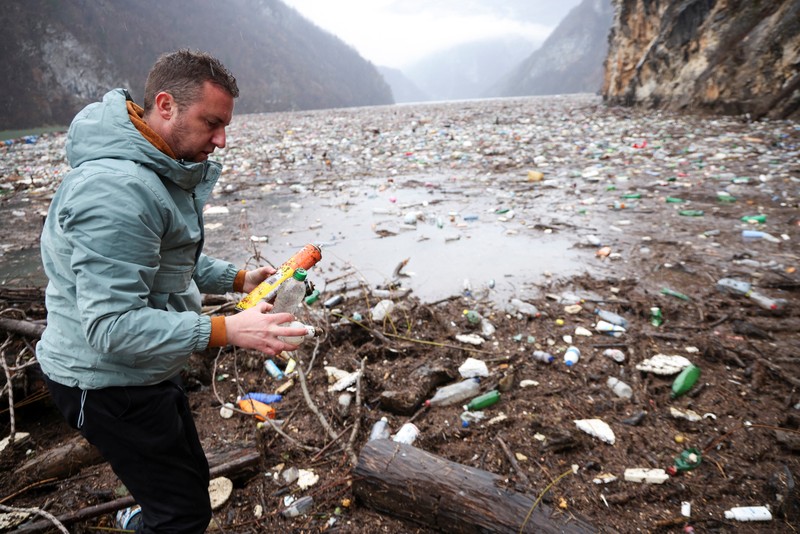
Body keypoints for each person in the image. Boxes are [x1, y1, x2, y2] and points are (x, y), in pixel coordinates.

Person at [36, 49, 308, 533]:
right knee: (183, 514)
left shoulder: (153, 166)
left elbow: (158, 259)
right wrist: (226, 330)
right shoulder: (117, 191)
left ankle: (142, 514)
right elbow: (111, 327)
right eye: (212, 123)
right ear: (165, 106)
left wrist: (238, 280)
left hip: (145, 365)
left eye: (225, 125)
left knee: (187, 482)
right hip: (105, 381)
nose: (221, 140)